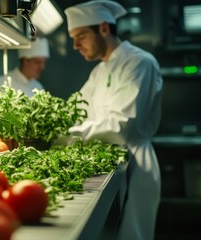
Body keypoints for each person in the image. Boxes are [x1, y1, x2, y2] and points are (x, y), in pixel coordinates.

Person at [64, 1, 163, 240]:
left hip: (135, 163)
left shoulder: (139, 62)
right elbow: (74, 112)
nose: (76, 45)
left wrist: (64, 133)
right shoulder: (99, 71)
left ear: (104, 28)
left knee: (131, 235)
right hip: (109, 161)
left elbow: (122, 127)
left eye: (81, 36)